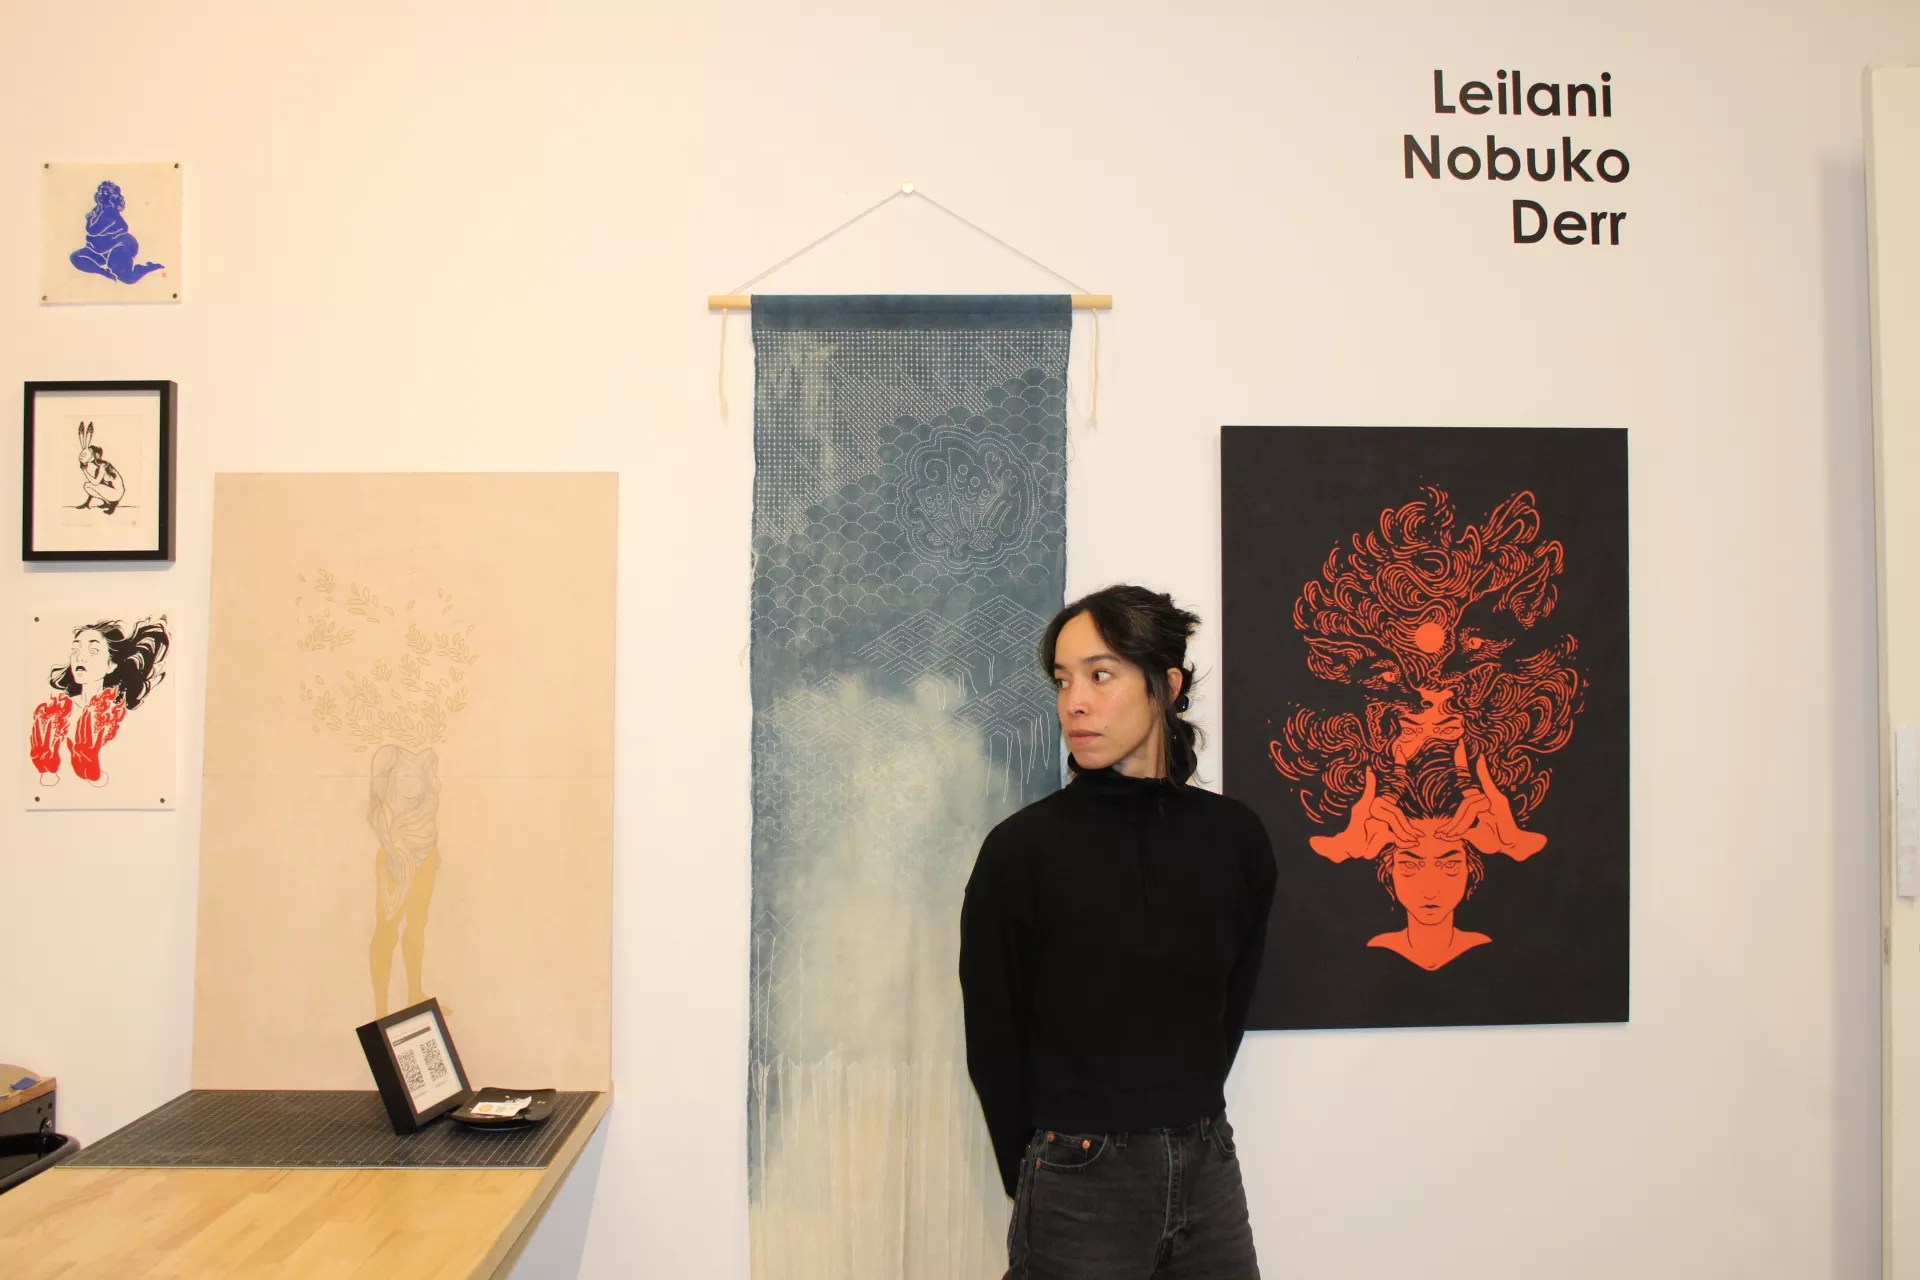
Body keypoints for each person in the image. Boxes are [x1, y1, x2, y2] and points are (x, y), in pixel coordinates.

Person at [960, 584, 1278, 1279]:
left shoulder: (1235, 841)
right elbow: (994, 1037)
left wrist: (1179, 1118)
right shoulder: (1022, 852)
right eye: (1064, 680)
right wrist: (1049, 1174)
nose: (1074, 700)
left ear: (1166, 684)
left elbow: (1227, 1006)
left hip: (1208, 1168)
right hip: (1077, 1179)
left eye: (1100, 675)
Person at [28, 617, 170, 788]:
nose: (80, 657)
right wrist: (45, 769)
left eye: (93, 650)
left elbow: (132, 777)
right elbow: (47, 785)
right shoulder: (54, 714)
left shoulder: (120, 713)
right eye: (75, 649)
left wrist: (94, 775)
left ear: (111, 665)